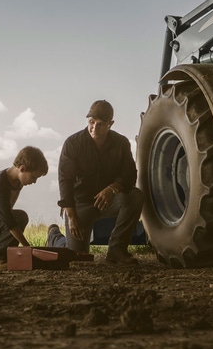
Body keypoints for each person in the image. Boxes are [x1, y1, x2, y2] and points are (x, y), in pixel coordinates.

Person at [47, 100, 143, 264]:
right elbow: (65, 181)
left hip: (109, 201)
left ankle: (116, 250)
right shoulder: (73, 143)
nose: (94, 128)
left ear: (110, 124)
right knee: (77, 257)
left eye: (100, 124)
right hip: (80, 205)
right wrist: (71, 216)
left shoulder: (121, 143)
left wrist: (112, 189)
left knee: (135, 196)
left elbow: (129, 175)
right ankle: (54, 236)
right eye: (91, 122)